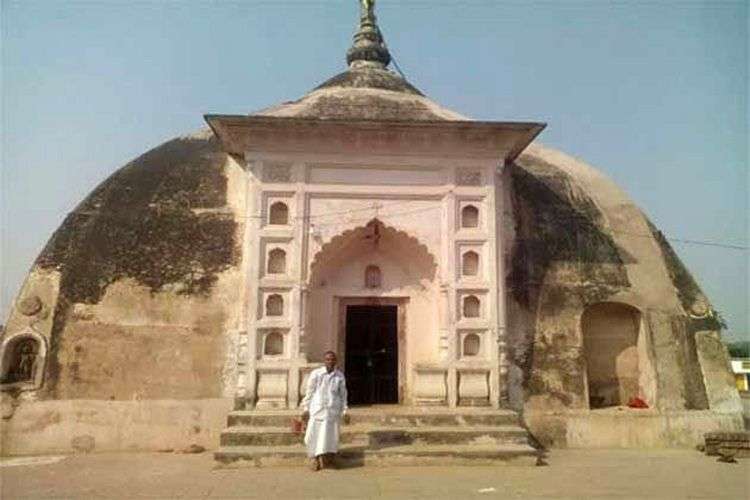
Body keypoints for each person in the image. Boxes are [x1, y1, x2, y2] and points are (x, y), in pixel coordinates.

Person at [300, 351, 348, 471]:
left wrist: (345, 410)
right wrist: (306, 408)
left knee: (330, 436)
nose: (330, 362)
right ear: (324, 361)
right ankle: (314, 459)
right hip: (317, 409)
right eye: (327, 359)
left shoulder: (339, 376)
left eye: (332, 359)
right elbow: (309, 392)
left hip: (332, 410)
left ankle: (327, 460)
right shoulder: (316, 374)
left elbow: (343, 394)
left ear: (336, 361)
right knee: (314, 435)